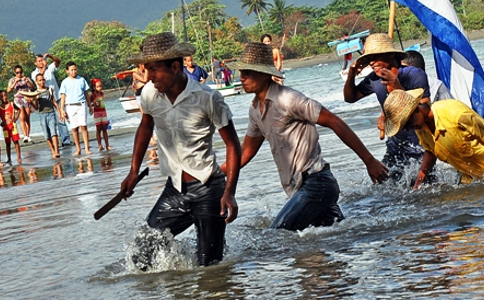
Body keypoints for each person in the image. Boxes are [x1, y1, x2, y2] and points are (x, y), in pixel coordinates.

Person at [229, 42, 388, 231]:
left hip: (317, 183)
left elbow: (333, 121)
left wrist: (369, 160)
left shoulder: (288, 99)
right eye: (241, 73)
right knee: (338, 240)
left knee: (276, 236)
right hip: (299, 188)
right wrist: (212, 174)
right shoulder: (255, 109)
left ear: (263, 74)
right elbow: (245, 153)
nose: (242, 78)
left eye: (247, 73)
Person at [119, 32, 241, 267]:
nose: (150, 76)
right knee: (141, 253)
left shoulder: (208, 99)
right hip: (174, 190)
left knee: (211, 268)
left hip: (208, 190)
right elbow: (145, 127)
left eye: (154, 69)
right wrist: (133, 171)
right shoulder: (149, 95)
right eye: (146, 69)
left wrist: (230, 191)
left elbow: (232, 143)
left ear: (175, 67)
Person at [383, 89, 484, 188]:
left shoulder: (455, 113)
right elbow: (431, 151)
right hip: (471, 180)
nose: (407, 129)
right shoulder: (420, 126)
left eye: (406, 123)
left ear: (416, 109)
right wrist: (418, 183)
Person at [343, 33, 430, 178]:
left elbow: (425, 112)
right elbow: (350, 98)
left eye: (375, 57)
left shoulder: (414, 74)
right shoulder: (374, 79)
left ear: (390, 55)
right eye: (369, 59)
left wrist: (397, 88)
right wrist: (351, 74)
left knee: (423, 189)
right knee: (382, 186)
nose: (371, 62)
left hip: (419, 146)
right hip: (395, 147)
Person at [32, 53, 70, 146]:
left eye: (42, 60)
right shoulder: (34, 73)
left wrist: (51, 56)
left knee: (61, 118)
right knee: (49, 123)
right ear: (35, 63)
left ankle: (65, 141)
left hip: (56, 96)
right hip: (45, 101)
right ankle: (54, 143)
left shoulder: (50, 68)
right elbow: (40, 77)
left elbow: (58, 61)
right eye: (39, 61)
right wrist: (44, 67)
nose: (41, 62)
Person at [59, 62, 92, 156]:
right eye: (71, 70)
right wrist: (62, 109)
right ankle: (78, 149)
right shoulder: (64, 82)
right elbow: (63, 96)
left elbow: (86, 93)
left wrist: (90, 105)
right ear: (67, 71)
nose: (74, 71)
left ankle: (87, 148)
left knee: (83, 126)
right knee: (74, 128)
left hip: (81, 104)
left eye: (75, 69)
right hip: (70, 106)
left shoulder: (81, 80)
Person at [32, 73, 61, 158]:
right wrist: (32, 102)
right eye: (40, 80)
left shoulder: (49, 89)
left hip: (51, 112)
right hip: (42, 114)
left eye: (43, 79)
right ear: (36, 82)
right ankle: (52, 150)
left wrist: (59, 112)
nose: (42, 81)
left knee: (53, 132)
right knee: (47, 134)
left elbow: (54, 102)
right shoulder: (36, 93)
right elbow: (37, 107)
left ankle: (56, 150)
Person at [7, 65, 36, 143]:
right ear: (15, 73)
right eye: (17, 73)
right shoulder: (12, 80)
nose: (19, 74)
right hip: (18, 99)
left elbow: (33, 87)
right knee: (22, 117)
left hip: (27, 99)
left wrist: (27, 81)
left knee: (27, 117)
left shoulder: (26, 78)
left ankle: (28, 135)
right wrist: (16, 82)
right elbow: (9, 90)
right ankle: (25, 136)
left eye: (20, 72)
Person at [0, 90, 22, 164]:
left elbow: (19, 110)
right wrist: (0, 123)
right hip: (5, 127)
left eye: (5, 95)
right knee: (7, 143)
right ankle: (9, 158)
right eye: (1, 96)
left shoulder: (11, 104)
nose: (4, 97)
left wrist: (16, 118)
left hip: (13, 126)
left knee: (16, 141)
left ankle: (18, 157)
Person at [90, 78, 112, 151]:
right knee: (98, 129)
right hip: (97, 112)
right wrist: (93, 104)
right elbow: (89, 104)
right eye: (98, 87)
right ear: (94, 87)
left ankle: (107, 145)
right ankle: (100, 145)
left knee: (104, 129)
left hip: (103, 112)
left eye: (100, 86)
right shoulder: (93, 95)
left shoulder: (102, 93)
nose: (99, 88)